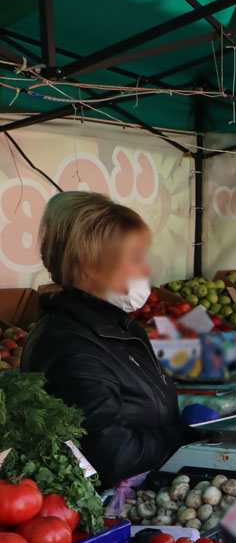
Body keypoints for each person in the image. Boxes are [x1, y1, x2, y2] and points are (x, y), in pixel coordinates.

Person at [22, 192, 196, 489]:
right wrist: (184, 435)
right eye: (135, 258)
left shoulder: (117, 327)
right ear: (91, 265)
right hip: (113, 514)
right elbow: (114, 456)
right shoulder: (69, 346)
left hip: (151, 492)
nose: (146, 270)